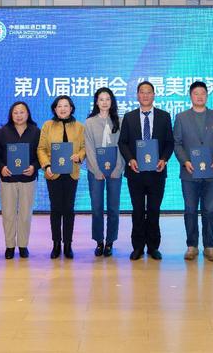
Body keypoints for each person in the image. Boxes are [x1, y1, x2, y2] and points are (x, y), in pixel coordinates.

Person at [173, 81, 213, 262]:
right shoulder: (181, 117)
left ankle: (209, 246)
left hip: (211, 172)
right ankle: (192, 246)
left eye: (202, 93)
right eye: (196, 93)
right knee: (190, 210)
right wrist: (185, 161)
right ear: (190, 96)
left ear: (207, 95)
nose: (199, 96)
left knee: (209, 210)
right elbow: (177, 143)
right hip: (189, 173)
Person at [118, 81, 174, 261]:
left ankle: (153, 247)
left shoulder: (164, 116)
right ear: (137, 95)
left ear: (154, 95)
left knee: (154, 210)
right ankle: (137, 247)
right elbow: (122, 142)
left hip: (157, 172)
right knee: (137, 210)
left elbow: (170, 143)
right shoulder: (129, 117)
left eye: (149, 92)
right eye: (142, 92)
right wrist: (130, 159)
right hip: (135, 172)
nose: (145, 95)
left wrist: (164, 159)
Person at [37, 95, 85, 259]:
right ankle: (56, 244)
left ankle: (68, 244)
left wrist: (79, 156)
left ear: (71, 108)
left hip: (71, 173)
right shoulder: (47, 126)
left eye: (66, 106)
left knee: (69, 210)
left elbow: (84, 147)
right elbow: (41, 149)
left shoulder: (79, 127)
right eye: (59, 106)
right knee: (56, 209)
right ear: (54, 109)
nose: (63, 109)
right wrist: (46, 166)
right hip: (53, 173)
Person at [0, 101, 40, 259]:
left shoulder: (35, 131)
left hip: (28, 179)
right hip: (8, 179)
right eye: (15, 112)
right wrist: (1, 167)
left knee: (25, 214)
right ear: (11, 115)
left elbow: (41, 154)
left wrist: (34, 167)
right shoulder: (3, 131)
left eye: (22, 112)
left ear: (28, 114)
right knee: (8, 213)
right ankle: (9, 246)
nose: (19, 115)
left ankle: (23, 245)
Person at [84, 87, 125, 258]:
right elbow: (89, 148)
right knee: (97, 207)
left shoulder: (120, 121)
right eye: (101, 99)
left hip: (115, 170)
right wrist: (96, 170)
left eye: (108, 99)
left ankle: (110, 242)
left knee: (114, 207)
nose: (104, 102)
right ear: (96, 102)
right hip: (95, 172)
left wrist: (118, 168)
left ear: (112, 101)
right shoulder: (89, 122)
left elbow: (122, 146)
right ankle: (99, 241)